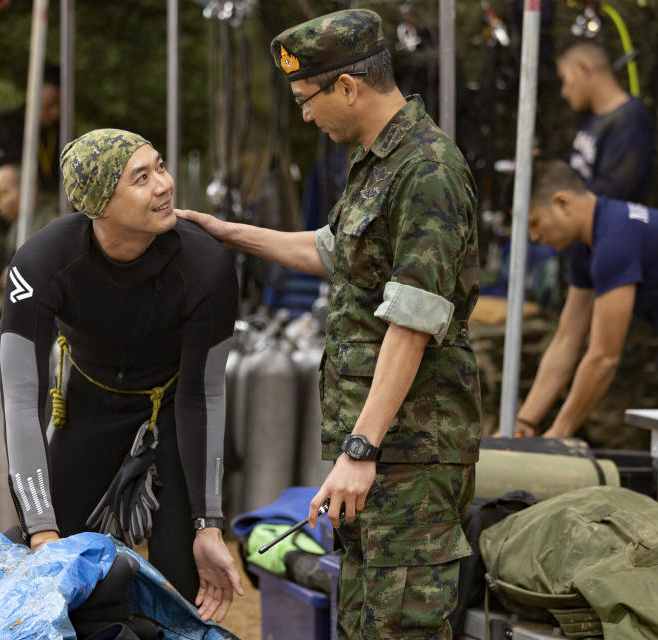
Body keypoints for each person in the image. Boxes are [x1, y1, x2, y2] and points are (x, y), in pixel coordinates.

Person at [178, 9, 481, 638]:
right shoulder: (377, 161)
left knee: (403, 626)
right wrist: (227, 233)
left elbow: (414, 321)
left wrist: (361, 449)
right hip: (378, 452)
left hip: (410, 452)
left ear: (348, 87)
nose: (305, 115)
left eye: (306, 98)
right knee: (363, 622)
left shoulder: (428, 172)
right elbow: (335, 250)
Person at [0, 129, 243, 623]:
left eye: (160, 167)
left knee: (180, 588)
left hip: (173, 413)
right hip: (85, 408)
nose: (164, 184)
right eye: (141, 177)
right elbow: (21, 402)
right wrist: (42, 529)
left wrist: (209, 524)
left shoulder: (206, 266)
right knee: (50, 570)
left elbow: (204, 395)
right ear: (100, 205)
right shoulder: (42, 263)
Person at [515, 159, 658, 439]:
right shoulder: (587, 246)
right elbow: (567, 338)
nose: (534, 236)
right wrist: (527, 420)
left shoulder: (615, 240)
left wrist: (558, 434)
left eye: (535, 223)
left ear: (562, 203)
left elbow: (603, 357)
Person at [558, 39, 654, 203]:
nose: (564, 92)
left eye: (565, 80)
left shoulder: (630, 119)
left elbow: (612, 192)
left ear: (584, 69)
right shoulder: (589, 115)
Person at [0, 64, 62, 193]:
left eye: (60, 105)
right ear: (33, 94)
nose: (56, 113)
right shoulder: (4, 127)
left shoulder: (62, 132)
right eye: (49, 104)